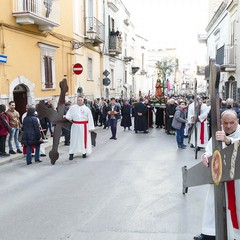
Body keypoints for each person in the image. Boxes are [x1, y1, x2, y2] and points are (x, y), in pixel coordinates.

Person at [194, 109, 240, 240]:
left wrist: (227, 140)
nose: (229, 126)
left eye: (232, 122)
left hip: (237, 180)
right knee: (213, 205)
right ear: (221, 122)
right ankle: (210, 233)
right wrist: (205, 156)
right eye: (225, 123)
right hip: (219, 178)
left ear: (237, 121)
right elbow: (209, 149)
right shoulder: (218, 133)